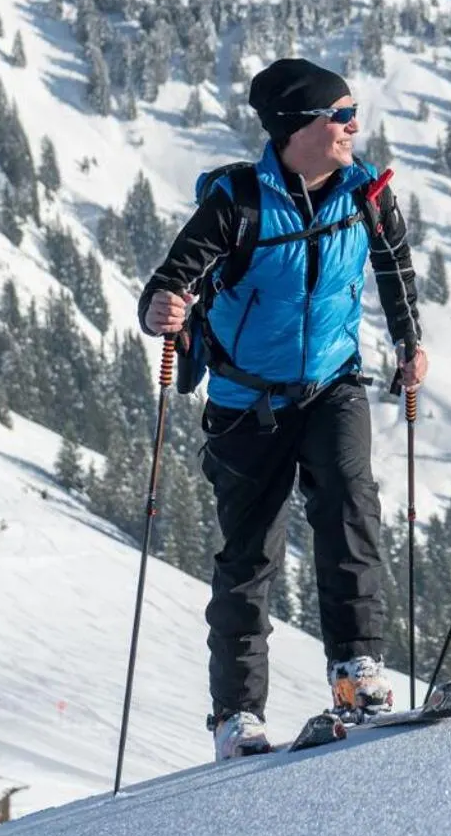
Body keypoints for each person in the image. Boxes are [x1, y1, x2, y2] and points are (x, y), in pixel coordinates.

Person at [140, 57, 426, 760]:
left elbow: (394, 269)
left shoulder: (367, 192)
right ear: (298, 127)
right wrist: (161, 311)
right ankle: (236, 717)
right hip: (247, 403)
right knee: (250, 556)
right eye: (341, 114)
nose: (353, 126)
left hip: (333, 385)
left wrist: (409, 342)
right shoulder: (238, 202)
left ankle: (357, 671)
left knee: (349, 506)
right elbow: (168, 285)